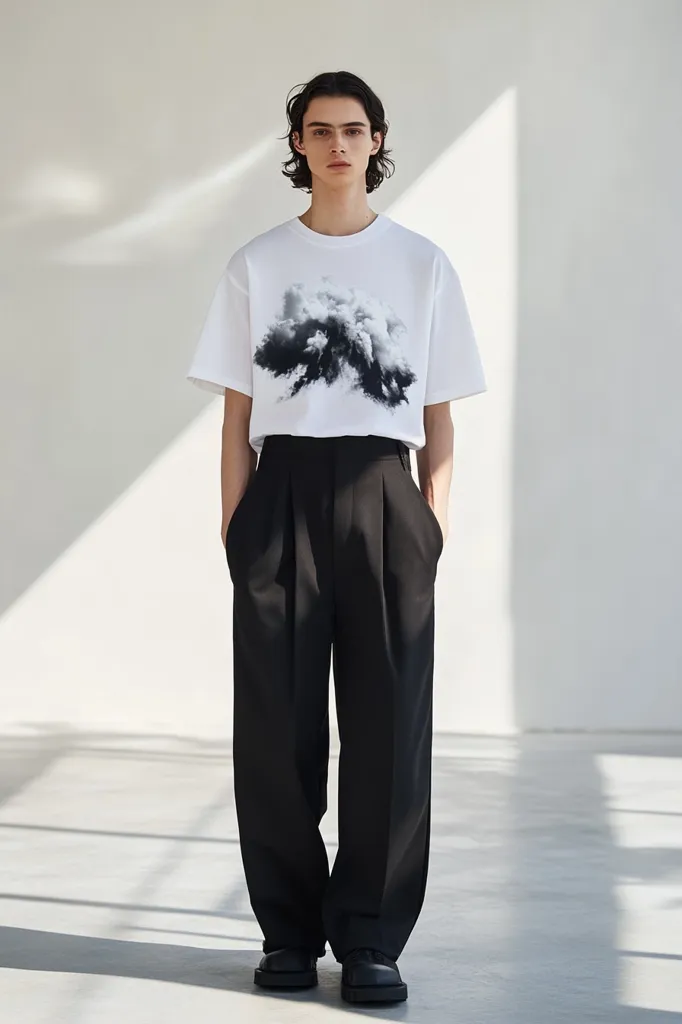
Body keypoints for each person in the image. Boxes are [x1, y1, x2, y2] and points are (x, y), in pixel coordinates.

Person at [187, 69, 486, 1005]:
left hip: (385, 495)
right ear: (298, 146)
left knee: (390, 726)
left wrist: (430, 521)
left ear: (377, 141)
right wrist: (235, 526)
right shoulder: (256, 263)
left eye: (353, 130)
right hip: (282, 491)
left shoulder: (422, 263)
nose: (337, 146)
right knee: (274, 727)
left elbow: (439, 413)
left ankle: (371, 940)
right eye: (319, 130)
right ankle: (287, 932)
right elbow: (237, 414)